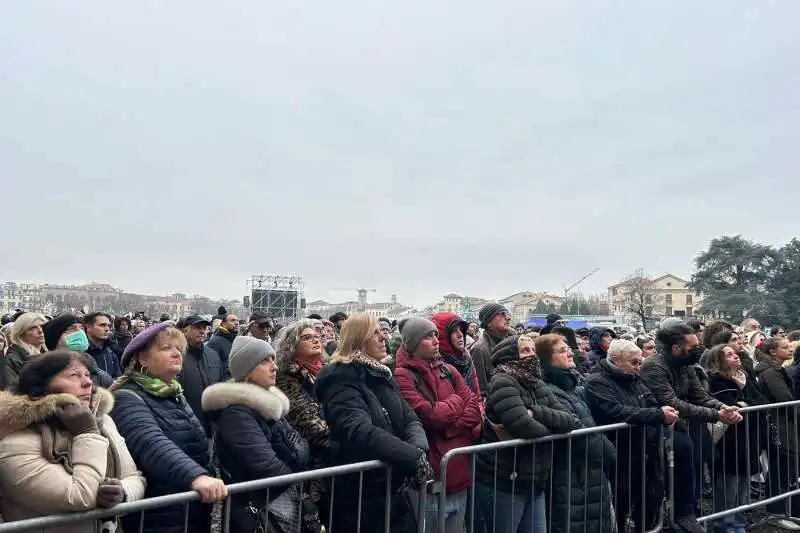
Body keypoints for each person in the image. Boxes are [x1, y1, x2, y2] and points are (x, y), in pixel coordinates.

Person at [0, 350, 145, 532]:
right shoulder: (15, 444)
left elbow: (134, 477)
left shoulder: (104, 421)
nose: (88, 382)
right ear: (40, 390)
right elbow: (80, 497)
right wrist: (87, 433)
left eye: (87, 374)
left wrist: (122, 493)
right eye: (74, 375)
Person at [315, 312, 432, 533]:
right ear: (358, 339)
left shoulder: (381, 375)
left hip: (393, 490)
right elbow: (358, 429)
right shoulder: (340, 378)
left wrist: (417, 450)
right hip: (360, 497)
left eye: (382, 332)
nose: (384, 338)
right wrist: (410, 456)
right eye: (375, 333)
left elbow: (409, 418)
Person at [110, 322, 227, 533]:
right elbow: (150, 442)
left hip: (187, 510)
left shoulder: (173, 393)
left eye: (178, 349)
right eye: (166, 348)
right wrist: (196, 477)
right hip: (157, 515)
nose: (177, 354)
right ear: (142, 359)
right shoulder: (127, 397)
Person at [202, 336, 316, 533]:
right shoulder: (236, 413)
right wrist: (295, 470)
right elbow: (269, 468)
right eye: (264, 361)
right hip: (257, 511)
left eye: (273, 359)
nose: (274, 367)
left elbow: (303, 449)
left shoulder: (269, 405)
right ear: (246, 370)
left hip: (277, 505)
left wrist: (295, 459)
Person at [641, 321, 742, 532]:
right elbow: (672, 402)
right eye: (692, 347)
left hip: (688, 428)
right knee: (664, 479)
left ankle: (688, 513)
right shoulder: (654, 366)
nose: (697, 350)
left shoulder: (685, 365)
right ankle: (666, 520)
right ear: (676, 348)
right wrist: (717, 415)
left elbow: (699, 395)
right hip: (661, 430)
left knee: (694, 469)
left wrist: (724, 407)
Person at [476, 334, 578, 533]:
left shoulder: (536, 383)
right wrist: (551, 428)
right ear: (510, 355)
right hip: (505, 480)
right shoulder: (502, 381)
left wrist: (536, 411)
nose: (532, 355)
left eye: (533, 350)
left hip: (534, 481)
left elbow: (570, 419)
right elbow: (525, 427)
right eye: (525, 351)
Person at [394, 316, 482, 533]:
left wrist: (448, 425)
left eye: (435, 334)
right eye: (427, 336)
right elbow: (429, 415)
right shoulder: (402, 376)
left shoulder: (448, 371)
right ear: (413, 343)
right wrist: (455, 404)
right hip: (430, 478)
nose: (435, 341)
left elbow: (474, 407)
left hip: (459, 473)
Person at [586, 339, 678, 533]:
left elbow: (652, 402)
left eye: (640, 361)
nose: (639, 366)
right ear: (616, 360)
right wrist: (657, 415)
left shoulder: (635, 379)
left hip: (643, 451)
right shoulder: (597, 381)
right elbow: (616, 411)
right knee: (619, 505)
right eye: (634, 362)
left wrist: (659, 413)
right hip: (618, 452)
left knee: (647, 502)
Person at [538, 334, 616, 533]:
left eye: (568, 348)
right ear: (547, 359)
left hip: (589, 472)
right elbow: (579, 431)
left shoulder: (573, 387)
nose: (570, 353)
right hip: (571, 474)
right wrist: (608, 451)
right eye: (562, 351)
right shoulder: (551, 391)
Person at [704, 344, 768, 533]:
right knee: (728, 484)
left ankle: (739, 521)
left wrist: (746, 404)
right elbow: (730, 407)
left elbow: (762, 402)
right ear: (718, 361)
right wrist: (745, 405)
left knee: (743, 484)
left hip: (748, 436)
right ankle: (723, 523)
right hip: (729, 440)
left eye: (735, 353)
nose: (736, 356)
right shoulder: (717, 381)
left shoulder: (745, 377)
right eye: (729, 355)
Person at [274, 320, 332, 508]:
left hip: (331, 457)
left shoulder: (326, 371)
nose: (316, 340)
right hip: (311, 461)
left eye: (317, 337)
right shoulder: (286, 378)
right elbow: (308, 423)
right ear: (292, 345)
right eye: (307, 338)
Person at [753, 336, 800, 520]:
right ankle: (778, 511)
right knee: (780, 467)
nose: (790, 350)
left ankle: (788, 510)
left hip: (785, 423)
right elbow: (785, 400)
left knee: (787, 468)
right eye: (785, 347)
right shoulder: (770, 372)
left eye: (790, 346)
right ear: (773, 351)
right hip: (778, 425)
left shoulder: (778, 370)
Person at [177, 315, 224, 434]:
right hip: (186, 426)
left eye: (204, 327)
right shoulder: (176, 356)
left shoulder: (212, 355)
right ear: (184, 330)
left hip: (212, 425)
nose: (202, 331)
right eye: (197, 327)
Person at [42, 314, 113, 388]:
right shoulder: (44, 371)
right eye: (71, 329)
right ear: (55, 337)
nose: (79, 333)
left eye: (81, 328)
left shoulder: (91, 364)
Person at [431, 312, 481, 397]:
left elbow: (476, 393)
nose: (460, 334)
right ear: (442, 336)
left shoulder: (466, 358)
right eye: (454, 331)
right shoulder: (433, 364)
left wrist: (478, 408)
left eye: (461, 330)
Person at [471, 303, 512, 397]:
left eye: (507, 313)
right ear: (488, 322)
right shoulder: (479, 350)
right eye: (501, 314)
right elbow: (482, 391)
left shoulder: (515, 341)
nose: (508, 318)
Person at [0, 312, 47, 390]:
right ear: (20, 333)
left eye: (42, 326)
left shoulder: (48, 355)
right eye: (32, 328)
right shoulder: (11, 360)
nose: (40, 331)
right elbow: (10, 394)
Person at [84, 312, 122, 379]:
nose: (107, 329)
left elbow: (117, 378)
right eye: (102, 325)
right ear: (88, 327)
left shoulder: (111, 353)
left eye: (108, 325)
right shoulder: (80, 352)